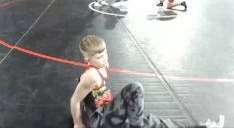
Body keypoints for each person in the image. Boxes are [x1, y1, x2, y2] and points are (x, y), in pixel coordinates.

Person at [71, 35, 225, 128]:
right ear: (88, 59)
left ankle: (203, 126)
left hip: (108, 113)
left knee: (154, 122)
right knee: (134, 89)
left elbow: (91, 91)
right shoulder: (91, 75)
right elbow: (74, 100)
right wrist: (78, 124)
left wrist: (102, 62)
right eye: (99, 57)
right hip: (100, 122)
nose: (104, 59)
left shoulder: (100, 66)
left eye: (105, 54)